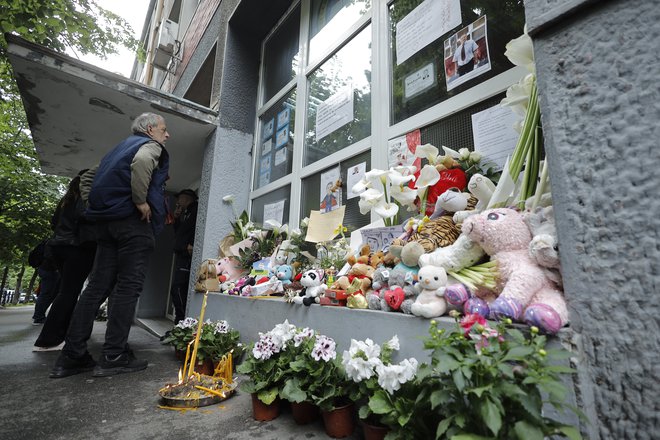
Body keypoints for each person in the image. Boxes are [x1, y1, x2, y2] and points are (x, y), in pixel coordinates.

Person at [50, 112, 170, 378]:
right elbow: (142, 163)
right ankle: (114, 355)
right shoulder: (149, 146)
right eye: (163, 129)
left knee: (95, 288)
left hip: (107, 226)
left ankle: (71, 355)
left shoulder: (117, 150)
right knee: (128, 287)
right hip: (132, 225)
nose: (167, 134)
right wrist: (140, 200)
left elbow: (87, 178)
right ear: (151, 129)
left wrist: (96, 205)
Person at [33, 170, 97, 351]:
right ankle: (49, 339)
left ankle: (58, 334)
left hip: (59, 248)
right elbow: (86, 216)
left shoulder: (66, 200)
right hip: (77, 248)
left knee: (67, 291)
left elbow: (54, 223)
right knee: (68, 293)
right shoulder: (83, 198)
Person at [169, 189, 198, 325]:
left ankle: (181, 322)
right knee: (178, 289)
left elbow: (198, 227)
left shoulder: (197, 209)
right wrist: (177, 218)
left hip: (187, 256)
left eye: (180, 199)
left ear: (187, 199)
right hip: (181, 254)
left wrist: (191, 243)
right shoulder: (186, 213)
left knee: (178, 288)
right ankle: (180, 323)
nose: (178, 202)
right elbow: (179, 233)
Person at [29, 240, 60, 325]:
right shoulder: (53, 242)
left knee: (50, 294)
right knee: (46, 294)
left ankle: (39, 315)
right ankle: (38, 317)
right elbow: (49, 256)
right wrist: (57, 267)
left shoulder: (50, 241)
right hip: (49, 270)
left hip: (46, 269)